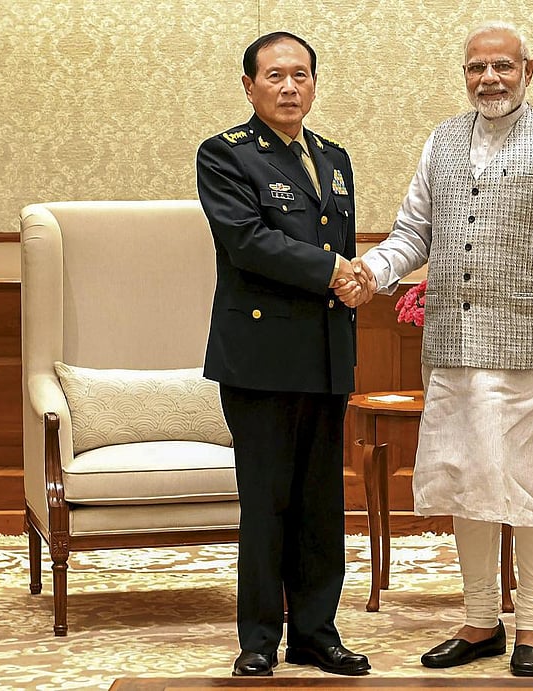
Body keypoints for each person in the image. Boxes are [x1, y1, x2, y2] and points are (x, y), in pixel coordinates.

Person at [349, 20, 533, 677]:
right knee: (467, 485)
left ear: (529, 70)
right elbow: (413, 232)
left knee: (531, 488)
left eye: (503, 66)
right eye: (477, 68)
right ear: (464, 74)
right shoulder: (442, 140)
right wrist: (371, 272)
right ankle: (479, 622)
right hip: (454, 350)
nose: (489, 79)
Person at [196, 31, 372, 677]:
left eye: (301, 75)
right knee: (267, 503)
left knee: (321, 505)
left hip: (326, 353)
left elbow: (338, 243)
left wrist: (356, 279)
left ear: (314, 85)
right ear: (250, 86)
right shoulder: (225, 154)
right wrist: (335, 270)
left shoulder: (334, 157)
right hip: (261, 358)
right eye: (275, 76)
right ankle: (259, 639)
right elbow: (247, 241)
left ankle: (317, 633)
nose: (289, 87)